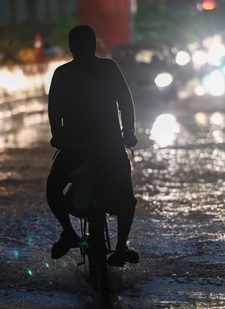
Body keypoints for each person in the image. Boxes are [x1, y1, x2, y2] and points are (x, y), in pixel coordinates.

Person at [46, 25, 139, 267]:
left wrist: (58, 136)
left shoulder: (62, 73)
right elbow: (126, 104)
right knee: (127, 199)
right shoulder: (109, 68)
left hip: (75, 149)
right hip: (110, 146)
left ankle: (68, 233)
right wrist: (128, 133)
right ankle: (121, 247)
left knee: (53, 188)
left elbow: (54, 111)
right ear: (95, 45)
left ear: (71, 48)